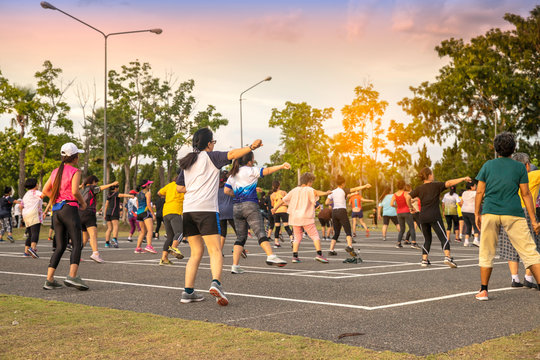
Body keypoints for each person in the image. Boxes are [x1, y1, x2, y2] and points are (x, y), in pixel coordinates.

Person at [176, 128, 262, 306]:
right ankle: (216, 283)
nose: (214, 145)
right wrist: (251, 146)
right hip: (206, 210)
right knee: (215, 250)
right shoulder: (211, 157)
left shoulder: (187, 161)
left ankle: (188, 291)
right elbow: (232, 154)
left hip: (188, 210)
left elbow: (179, 188)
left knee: (195, 253)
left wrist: (196, 186)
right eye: (213, 142)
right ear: (208, 143)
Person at [475, 134, 540, 300]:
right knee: (529, 252)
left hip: (490, 211)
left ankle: (483, 290)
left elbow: (480, 191)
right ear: (513, 149)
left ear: (496, 149)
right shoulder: (519, 168)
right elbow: (526, 194)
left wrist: (477, 213)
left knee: (486, 251)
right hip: (513, 213)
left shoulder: (488, 165)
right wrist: (533, 219)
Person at [225, 153, 290, 274]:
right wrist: (281, 166)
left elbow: (226, 190)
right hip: (250, 206)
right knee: (260, 232)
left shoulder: (233, 174)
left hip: (236, 207)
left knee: (240, 237)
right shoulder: (251, 170)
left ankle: (235, 265)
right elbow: (268, 170)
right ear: (250, 161)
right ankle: (270, 255)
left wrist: (238, 195)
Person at [41, 142, 89, 291]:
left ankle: (49, 279)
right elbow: (75, 191)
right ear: (74, 157)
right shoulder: (75, 171)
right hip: (69, 208)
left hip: (56, 211)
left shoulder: (55, 171)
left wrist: (56, 199)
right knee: (76, 243)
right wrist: (83, 203)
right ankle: (72, 276)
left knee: (60, 246)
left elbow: (45, 190)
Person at [493, 152, 540, 290]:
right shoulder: (532, 175)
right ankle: (528, 278)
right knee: (531, 244)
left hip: (507, 211)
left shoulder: (506, 176)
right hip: (526, 211)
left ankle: (514, 278)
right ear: (526, 165)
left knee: (510, 244)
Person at [408, 167, 470, 268]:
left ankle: (424, 260)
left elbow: (408, 197)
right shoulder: (436, 185)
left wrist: (411, 208)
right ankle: (447, 257)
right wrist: (463, 178)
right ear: (429, 175)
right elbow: (449, 183)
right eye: (432, 173)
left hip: (422, 217)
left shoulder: (419, 188)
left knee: (427, 239)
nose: (433, 175)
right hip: (434, 216)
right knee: (443, 237)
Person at [273, 172, 331, 263]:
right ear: (309, 181)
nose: (312, 184)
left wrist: (275, 208)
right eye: (311, 182)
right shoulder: (309, 189)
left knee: (297, 237)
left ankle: (295, 256)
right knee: (315, 235)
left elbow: (283, 200)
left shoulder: (294, 190)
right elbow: (317, 192)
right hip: (306, 217)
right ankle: (319, 254)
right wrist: (326, 193)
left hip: (294, 218)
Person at [326, 176, 370, 260]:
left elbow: (327, 202)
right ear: (343, 183)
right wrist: (365, 186)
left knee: (336, 232)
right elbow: (356, 188)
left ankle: (331, 250)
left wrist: (334, 201)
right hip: (342, 211)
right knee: (348, 230)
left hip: (334, 212)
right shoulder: (343, 190)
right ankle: (349, 246)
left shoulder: (332, 192)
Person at [80, 176, 118, 263]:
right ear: (93, 181)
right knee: (93, 234)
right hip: (89, 213)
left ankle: (76, 254)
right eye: (96, 182)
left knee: (85, 238)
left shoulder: (82, 189)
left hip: (79, 213)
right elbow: (100, 188)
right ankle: (95, 254)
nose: (96, 184)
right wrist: (112, 184)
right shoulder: (91, 187)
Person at [157, 175, 185, 265]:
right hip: (175, 210)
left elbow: (159, 193)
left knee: (170, 236)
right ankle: (173, 247)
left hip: (166, 212)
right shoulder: (183, 186)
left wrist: (167, 196)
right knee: (180, 232)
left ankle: (164, 259)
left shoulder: (170, 185)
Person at [391, 180, 419, 249]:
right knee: (411, 227)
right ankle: (414, 243)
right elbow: (409, 200)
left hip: (399, 213)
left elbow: (391, 204)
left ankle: (398, 243)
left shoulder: (394, 194)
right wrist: (411, 207)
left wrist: (397, 207)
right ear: (404, 186)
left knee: (402, 229)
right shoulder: (406, 193)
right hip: (406, 211)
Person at [20, 178, 44, 258]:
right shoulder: (36, 192)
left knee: (30, 234)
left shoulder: (26, 195)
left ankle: (26, 251)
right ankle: (33, 248)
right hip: (34, 214)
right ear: (35, 185)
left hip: (26, 214)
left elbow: (21, 206)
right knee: (35, 232)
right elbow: (43, 195)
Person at [134, 180, 157, 254]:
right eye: (149, 184)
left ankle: (138, 247)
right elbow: (148, 204)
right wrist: (153, 214)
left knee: (142, 232)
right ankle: (149, 246)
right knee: (150, 230)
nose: (150, 185)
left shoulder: (138, 193)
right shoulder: (148, 193)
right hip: (145, 213)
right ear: (146, 186)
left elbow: (138, 203)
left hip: (139, 213)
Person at [270, 181, 294, 248]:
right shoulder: (283, 192)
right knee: (286, 226)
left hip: (276, 211)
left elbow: (272, 205)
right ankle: (292, 239)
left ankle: (276, 242)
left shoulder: (272, 195)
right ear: (279, 186)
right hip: (283, 210)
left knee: (277, 227)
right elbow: (288, 200)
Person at [218, 170, 236, 252]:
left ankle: (219, 251)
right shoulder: (229, 186)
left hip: (220, 211)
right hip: (230, 210)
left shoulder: (216, 187)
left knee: (223, 233)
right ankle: (237, 248)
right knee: (238, 231)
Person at [461, 181, 479, 247]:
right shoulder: (475, 193)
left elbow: (461, 202)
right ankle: (476, 240)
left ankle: (466, 242)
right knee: (476, 225)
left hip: (464, 210)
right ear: (471, 187)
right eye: (475, 186)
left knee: (468, 226)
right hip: (471, 210)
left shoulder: (464, 192)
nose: (476, 187)